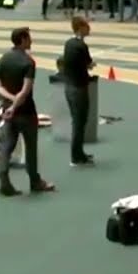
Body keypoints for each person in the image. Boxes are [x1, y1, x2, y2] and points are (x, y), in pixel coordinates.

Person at [0, 27, 56, 196]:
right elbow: (26, 90)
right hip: (26, 112)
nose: (31, 41)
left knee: (7, 147)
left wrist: (10, 103)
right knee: (30, 147)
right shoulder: (28, 62)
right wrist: (16, 104)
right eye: (29, 38)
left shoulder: (3, 60)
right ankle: (35, 181)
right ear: (22, 39)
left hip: (8, 111)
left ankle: (3, 180)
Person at [60, 15, 96, 166]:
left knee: (77, 121)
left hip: (69, 86)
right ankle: (76, 156)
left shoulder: (68, 43)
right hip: (79, 88)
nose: (89, 29)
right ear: (81, 28)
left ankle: (79, 153)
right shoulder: (82, 46)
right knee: (79, 122)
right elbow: (88, 63)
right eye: (87, 26)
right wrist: (91, 64)